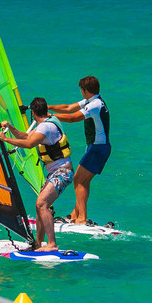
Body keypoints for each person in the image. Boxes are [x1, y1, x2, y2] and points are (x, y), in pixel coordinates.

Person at [1, 97, 74, 250]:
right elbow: (26, 136)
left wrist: (5, 139)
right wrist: (10, 127)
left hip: (62, 172)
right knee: (39, 205)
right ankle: (38, 244)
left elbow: (29, 144)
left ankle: (52, 244)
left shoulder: (46, 127)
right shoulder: (49, 121)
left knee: (42, 204)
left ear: (33, 113)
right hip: (56, 172)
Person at [50, 75, 110, 226]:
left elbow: (72, 118)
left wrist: (49, 117)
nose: (80, 92)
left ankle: (82, 218)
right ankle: (74, 215)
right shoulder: (91, 101)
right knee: (83, 180)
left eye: (81, 90)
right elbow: (68, 108)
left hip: (98, 148)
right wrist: (47, 108)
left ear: (85, 91)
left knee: (78, 180)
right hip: (97, 148)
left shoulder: (95, 105)